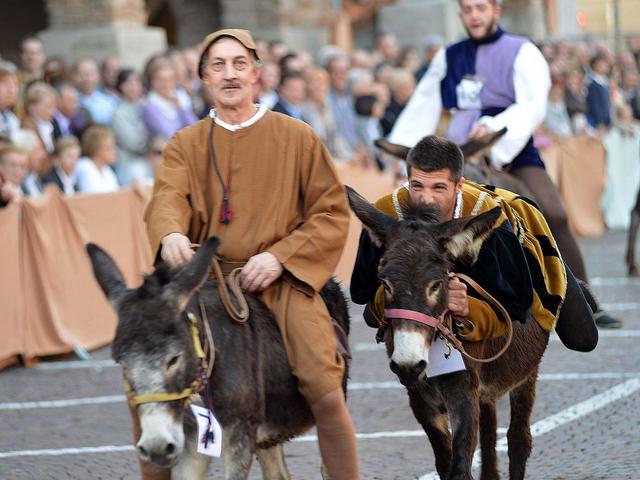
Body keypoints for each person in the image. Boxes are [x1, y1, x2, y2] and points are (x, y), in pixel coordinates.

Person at [144, 29, 359, 479]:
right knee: (149, 382)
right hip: (205, 283)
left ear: (257, 74)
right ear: (203, 77)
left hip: (280, 280)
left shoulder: (296, 136)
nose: (230, 74)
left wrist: (281, 257)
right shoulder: (185, 142)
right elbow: (167, 197)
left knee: (324, 384)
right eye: (218, 66)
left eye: (239, 64)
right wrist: (169, 235)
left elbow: (330, 211)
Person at [387, 0, 621, 328]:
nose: (474, 15)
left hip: (512, 149)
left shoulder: (521, 51)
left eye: (480, 8)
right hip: (459, 155)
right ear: (460, 15)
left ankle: (586, 304)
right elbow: (422, 106)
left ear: (496, 10)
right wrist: (409, 154)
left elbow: (532, 104)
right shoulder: (449, 57)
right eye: (467, 9)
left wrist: (496, 130)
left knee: (553, 213)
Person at [351, 135, 599, 354]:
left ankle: (569, 281)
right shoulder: (384, 214)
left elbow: (517, 304)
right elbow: (361, 292)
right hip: (433, 286)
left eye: (439, 187)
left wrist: (468, 305)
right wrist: (396, 292)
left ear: (459, 185)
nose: (426, 198)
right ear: (407, 180)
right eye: (417, 186)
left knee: (583, 338)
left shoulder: (489, 217)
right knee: (372, 317)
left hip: (516, 250)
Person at [141, 56, 198, 139]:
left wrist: (180, 107)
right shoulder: (150, 105)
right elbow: (169, 135)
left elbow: (196, 128)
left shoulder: (177, 98)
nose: (167, 85)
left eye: (170, 79)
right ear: (152, 82)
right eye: (161, 80)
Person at [111, 69, 150, 185]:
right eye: (129, 83)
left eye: (137, 82)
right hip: (131, 163)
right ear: (121, 87)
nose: (133, 87)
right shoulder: (119, 113)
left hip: (152, 160)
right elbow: (133, 143)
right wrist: (149, 141)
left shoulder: (147, 105)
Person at [75, 125, 119, 194]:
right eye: (108, 148)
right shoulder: (84, 166)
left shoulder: (107, 170)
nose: (114, 151)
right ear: (96, 149)